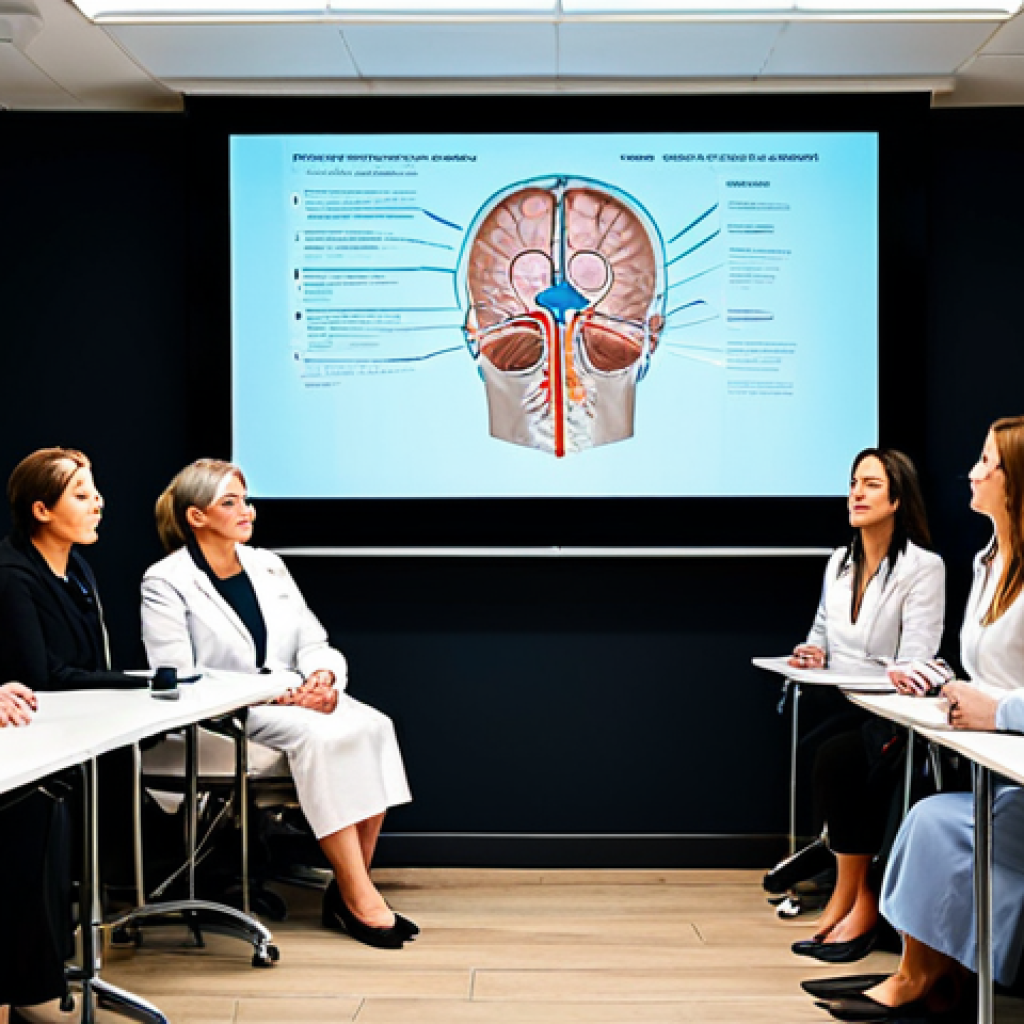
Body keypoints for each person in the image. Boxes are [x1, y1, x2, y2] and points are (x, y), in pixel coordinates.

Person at [140, 459, 415, 949]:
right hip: (225, 712)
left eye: (246, 500)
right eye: (230, 502)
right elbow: (178, 673)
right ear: (196, 517)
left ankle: (350, 884)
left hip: (291, 698)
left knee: (374, 724)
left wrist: (324, 677)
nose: (246, 510)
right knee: (321, 734)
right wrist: (278, 693)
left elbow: (313, 639)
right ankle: (357, 894)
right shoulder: (165, 580)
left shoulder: (268, 564)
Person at [815, 416, 1024, 1023]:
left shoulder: (928, 566)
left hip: (1004, 751)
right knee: (921, 814)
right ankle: (921, 973)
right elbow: (976, 668)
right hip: (993, 752)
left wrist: (998, 710)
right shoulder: (991, 563)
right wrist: (940, 680)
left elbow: (1001, 692)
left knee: (926, 817)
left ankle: (918, 975)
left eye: (988, 462)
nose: (972, 471)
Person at [0, 449, 146, 1024]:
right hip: (28, 748)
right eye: (82, 495)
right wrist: (137, 682)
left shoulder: (76, 568)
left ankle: (48, 974)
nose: (98, 503)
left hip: (68, 736)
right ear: (41, 509)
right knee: (38, 817)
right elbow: (42, 676)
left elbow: (83, 659)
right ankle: (30, 985)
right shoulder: (13, 575)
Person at [787, 449, 945, 963]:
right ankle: (849, 896)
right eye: (854, 482)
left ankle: (859, 901)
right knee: (819, 747)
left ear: (897, 498)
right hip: (850, 701)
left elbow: (917, 658)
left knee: (840, 758)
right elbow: (821, 633)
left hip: (897, 711)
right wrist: (813, 653)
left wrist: (880, 670)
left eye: (871, 485)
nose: (856, 493)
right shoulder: (839, 561)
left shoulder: (924, 567)